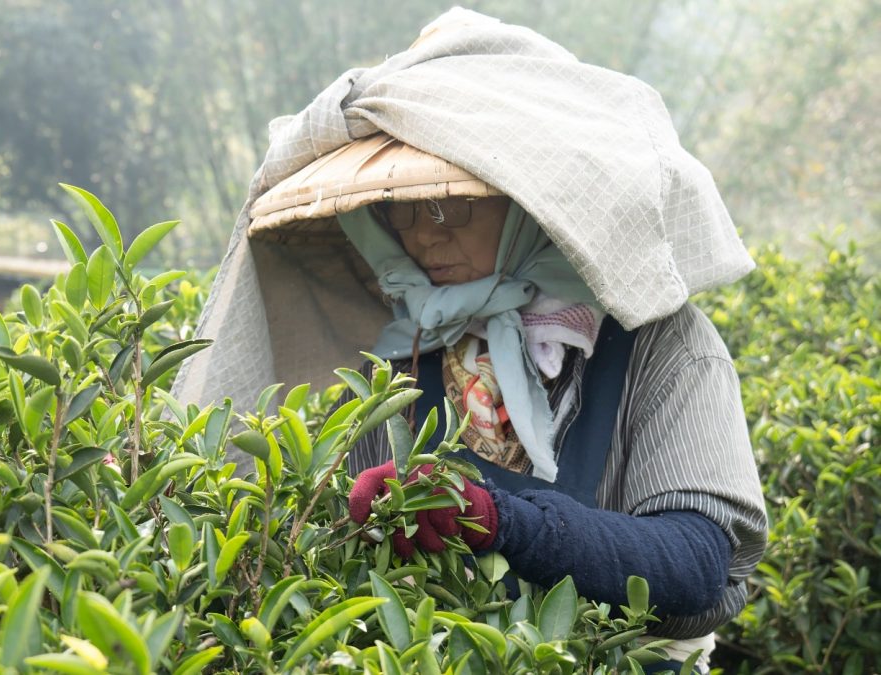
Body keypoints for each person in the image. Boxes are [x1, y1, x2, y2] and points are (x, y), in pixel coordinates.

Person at [173, 9, 766, 672]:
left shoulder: (661, 342)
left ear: (526, 203)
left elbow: (695, 561)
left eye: (449, 205)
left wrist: (500, 520)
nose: (424, 236)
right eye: (402, 210)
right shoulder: (390, 346)